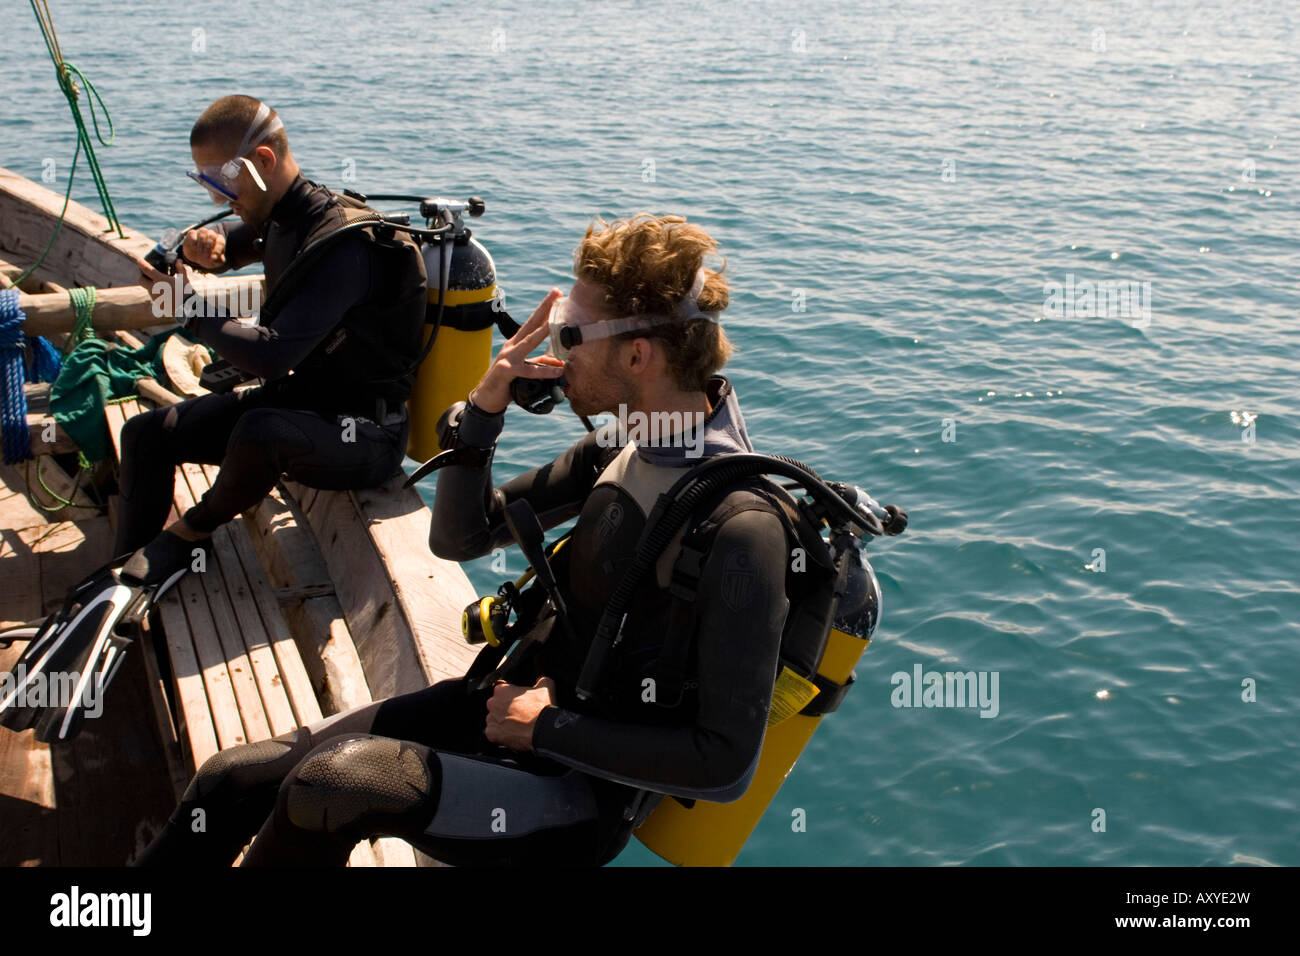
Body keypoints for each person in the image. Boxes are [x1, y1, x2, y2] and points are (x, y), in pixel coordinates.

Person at [135, 214, 793, 867]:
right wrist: (482, 410)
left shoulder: (739, 528)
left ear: (637, 354)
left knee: (330, 786)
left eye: (570, 333)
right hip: (499, 705)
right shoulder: (624, 445)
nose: (557, 354)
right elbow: (459, 537)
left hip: (572, 791)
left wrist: (545, 728)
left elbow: (725, 764)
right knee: (231, 779)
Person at [121, 94, 426, 584]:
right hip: (299, 405)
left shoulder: (344, 245)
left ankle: (191, 531)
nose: (217, 199)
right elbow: (237, 244)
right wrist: (212, 249)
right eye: (206, 182)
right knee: (146, 435)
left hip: (362, 434)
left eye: (221, 181)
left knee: (260, 429)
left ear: (262, 161)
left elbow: (269, 355)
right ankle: (124, 575)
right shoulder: (282, 218)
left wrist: (187, 305)